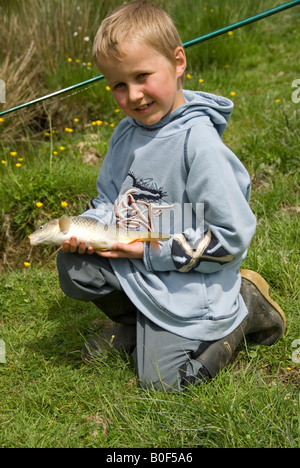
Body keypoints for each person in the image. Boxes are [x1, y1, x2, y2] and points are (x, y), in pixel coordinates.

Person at [56, 0, 286, 391]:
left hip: (193, 278)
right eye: (118, 85)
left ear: (178, 62)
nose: (134, 95)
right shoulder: (126, 133)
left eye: (143, 75)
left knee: (164, 383)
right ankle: (139, 326)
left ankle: (245, 311)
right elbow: (108, 202)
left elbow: (231, 238)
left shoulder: (200, 145)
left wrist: (148, 251)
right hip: (145, 262)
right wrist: (91, 229)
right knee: (74, 266)